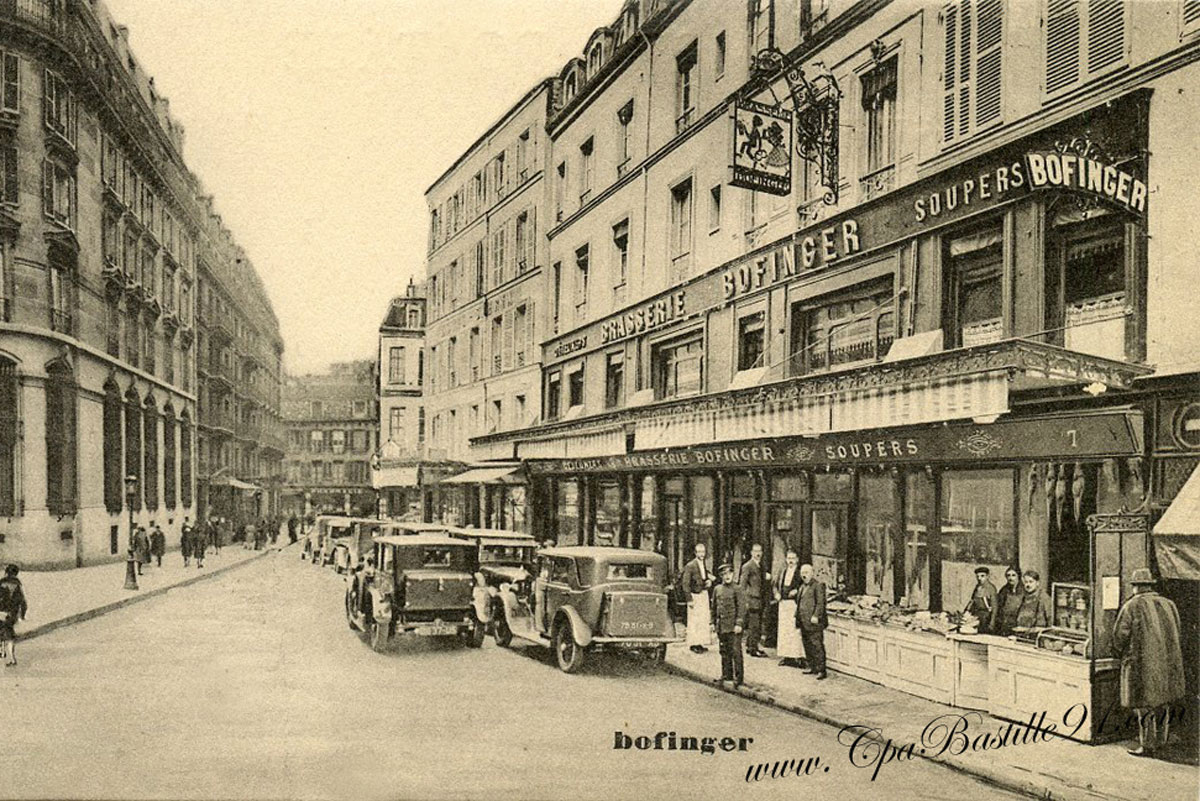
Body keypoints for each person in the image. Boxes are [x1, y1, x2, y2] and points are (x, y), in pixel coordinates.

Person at [1112, 567, 1186, 757]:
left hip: (1142, 664)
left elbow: (1120, 636)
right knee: (1163, 703)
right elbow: (1178, 632)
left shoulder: (1132, 605)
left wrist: (1119, 653)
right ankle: (1162, 741)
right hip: (1168, 663)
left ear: (1137, 587)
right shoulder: (1169, 604)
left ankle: (1147, 745)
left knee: (1144, 706)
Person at [712, 562, 747, 687]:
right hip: (722, 626)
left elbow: (742, 608)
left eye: (729, 573)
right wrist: (713, 624)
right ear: (721, 575)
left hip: (733, 627)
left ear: (733, 574)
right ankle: (726, 675)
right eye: (724, 574)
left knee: (736, 652)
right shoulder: (717, 589)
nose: (727, 576)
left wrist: (739, 623)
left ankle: (739, 678)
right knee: (724, 651)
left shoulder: (737, 589)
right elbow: (714, 608)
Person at [795, 564, 828, 680]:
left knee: (817, 645)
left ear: (812, 573)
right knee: (807, 644)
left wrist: (816, 616)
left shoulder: (817, 585)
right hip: (803, 621)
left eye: (807, 572)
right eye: (802, 572)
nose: (804, 575)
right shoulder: (802, 586)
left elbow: (820, 603)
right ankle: (812, 666)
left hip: (814, 622)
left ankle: (821, 670)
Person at [773, 550, 804, 667]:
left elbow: (804, 586)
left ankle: (797, 657)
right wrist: (776, 594)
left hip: (794, 604)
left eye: (793, 558)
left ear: (797, 560)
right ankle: (786, 656)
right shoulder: (782, 571)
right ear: (786, 559)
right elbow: (775, 585)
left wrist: (797, 591)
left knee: (795, 631)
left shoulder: (800, 572)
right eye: (789, 558)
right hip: (783, 604)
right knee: (784, 630)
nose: (790, 561)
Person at [681, 543, 714, 654]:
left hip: (703, 594)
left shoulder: (703, 564)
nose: (702, 554)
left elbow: (703, 576)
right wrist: (689, 599)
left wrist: (708, 581)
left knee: (703, 620)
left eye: (703, 552)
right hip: (695, 596)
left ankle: (700, 643)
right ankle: (693, 644)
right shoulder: (690, 565)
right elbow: (685, 583)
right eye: (699, 552)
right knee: (694, 621)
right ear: (695, 553)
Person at [738, 543, 770, 657]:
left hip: (760, 599)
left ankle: (750, 645)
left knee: (756, 623)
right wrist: (744, 600)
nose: (758, 554)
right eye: (755, 551)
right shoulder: (748, 566)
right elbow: (742, 585)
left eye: (760, 551)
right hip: (752, 600)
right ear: (751, 553)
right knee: (754, 625)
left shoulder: (761, 566)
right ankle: (753, 649)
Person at [0, 564, 27, 666]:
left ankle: (3, 653)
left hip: (1, 611)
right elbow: (22, 602)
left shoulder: (1, 582)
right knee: (9, 635)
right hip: (11, 614)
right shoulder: (17, 585)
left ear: (6, 572)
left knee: (2, 631)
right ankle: (11, 658)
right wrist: (22, 615)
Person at [964, 566, 998, 633]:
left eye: (982, 576)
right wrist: (966, 611)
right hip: (976, 617)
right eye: (977, 576)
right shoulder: (977, 587)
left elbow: (995, 607)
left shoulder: (991, 588)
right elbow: (972, 601)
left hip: (986, 617)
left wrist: (992, 623)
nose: (979, 578)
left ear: (987, 576)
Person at [991, 566, 1023, 636]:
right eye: (1008, 575)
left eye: (1013, 575)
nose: (1011, 578)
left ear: (1018, 576)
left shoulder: (1023, 591)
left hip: (1017, 623)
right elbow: (999, 606)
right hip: (1004, 623)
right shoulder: (1004, 590)